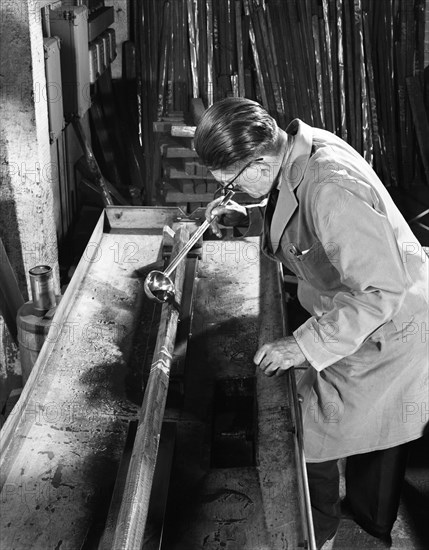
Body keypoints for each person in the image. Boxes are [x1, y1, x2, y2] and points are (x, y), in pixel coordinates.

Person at [194, 97, 429, 549]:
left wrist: (302, 346)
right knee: (362, 436)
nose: (232, 191)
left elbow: (380, 290)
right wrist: (250, 213)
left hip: (386, 328)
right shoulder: (294, 150)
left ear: (260, 161)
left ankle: (316, 534)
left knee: (305, 437)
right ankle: (358, 517)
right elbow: (294, 216)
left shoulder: (331, 187)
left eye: (233, 184)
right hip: (355, 310)